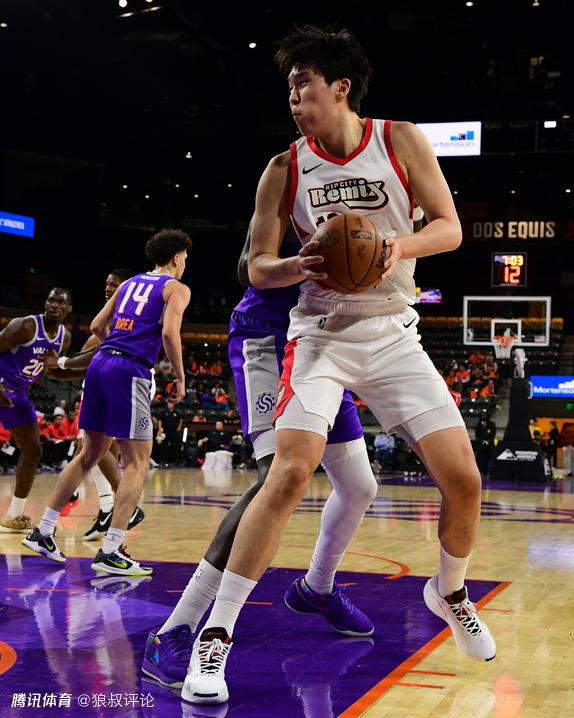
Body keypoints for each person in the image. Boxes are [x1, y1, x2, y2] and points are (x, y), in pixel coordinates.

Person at [179, 26, 495, 706]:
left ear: (341, 87)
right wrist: (298, 263)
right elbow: (257, 267)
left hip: (393, 333)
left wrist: (396, 246)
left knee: (465, 480)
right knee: (290, 471)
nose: (294, 100)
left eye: (304, 85)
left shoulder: (400, 139)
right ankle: (215, 636)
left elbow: (449, 228)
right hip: (320, 333)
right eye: (289, 89)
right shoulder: (283, 168)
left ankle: (448, 592)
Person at [142, 221, 378, 696]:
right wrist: (310, 262)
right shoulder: (289, 188)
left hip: (326, 344)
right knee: (277, 477)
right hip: (269, 335)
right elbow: (247, 268)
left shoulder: (371, 197)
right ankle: (175, 629)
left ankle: (318, 587)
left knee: (359, 486)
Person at [23, 229, 192, 575]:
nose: (185, 263)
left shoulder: (128, 284)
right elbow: (169, 333)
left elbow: (98, 326)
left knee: (90, 454)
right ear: (176, 258)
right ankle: (112, 550)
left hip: (100, 365)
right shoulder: (176, 288)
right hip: (129, 370)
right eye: (186, 258)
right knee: (138, 463)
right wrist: (180, 376)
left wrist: (118, 343)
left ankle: (44, 530)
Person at [42, 269, 145, 542]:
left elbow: (95, 350)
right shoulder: (115, 316)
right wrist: (58, 370)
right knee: (97, 450)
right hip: (114, 380)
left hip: (121, 380)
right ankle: (108, 508)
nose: (108, 288)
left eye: (114, 284)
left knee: (92, 449)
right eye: (107, 284)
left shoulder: (124, 318)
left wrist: (61, 363)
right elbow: (89, 359)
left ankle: (113, 507)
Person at [0, 288, 73, 532]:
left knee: (33, 452)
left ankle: (14, 516)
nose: (55, 305)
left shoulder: (64, 338)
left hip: (16, 393)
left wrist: (84, 370)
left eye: (60, 302)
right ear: (45, 303)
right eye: (51, 300)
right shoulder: (25, 326)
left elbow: (54, 372)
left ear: (68, 309)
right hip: (1, 384)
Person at [474, 410, 496, 478]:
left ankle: (492, 473)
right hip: (481, 447)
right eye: (482, 415)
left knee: (491, 459)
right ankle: (483, 473)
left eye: (485, 415)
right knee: (482, 460)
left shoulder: (492, 424)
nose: (483, 416)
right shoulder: (478, 426)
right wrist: (482, 441)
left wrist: (488, 441)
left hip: (490, 446)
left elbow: (493, 434)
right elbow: (477, 435)